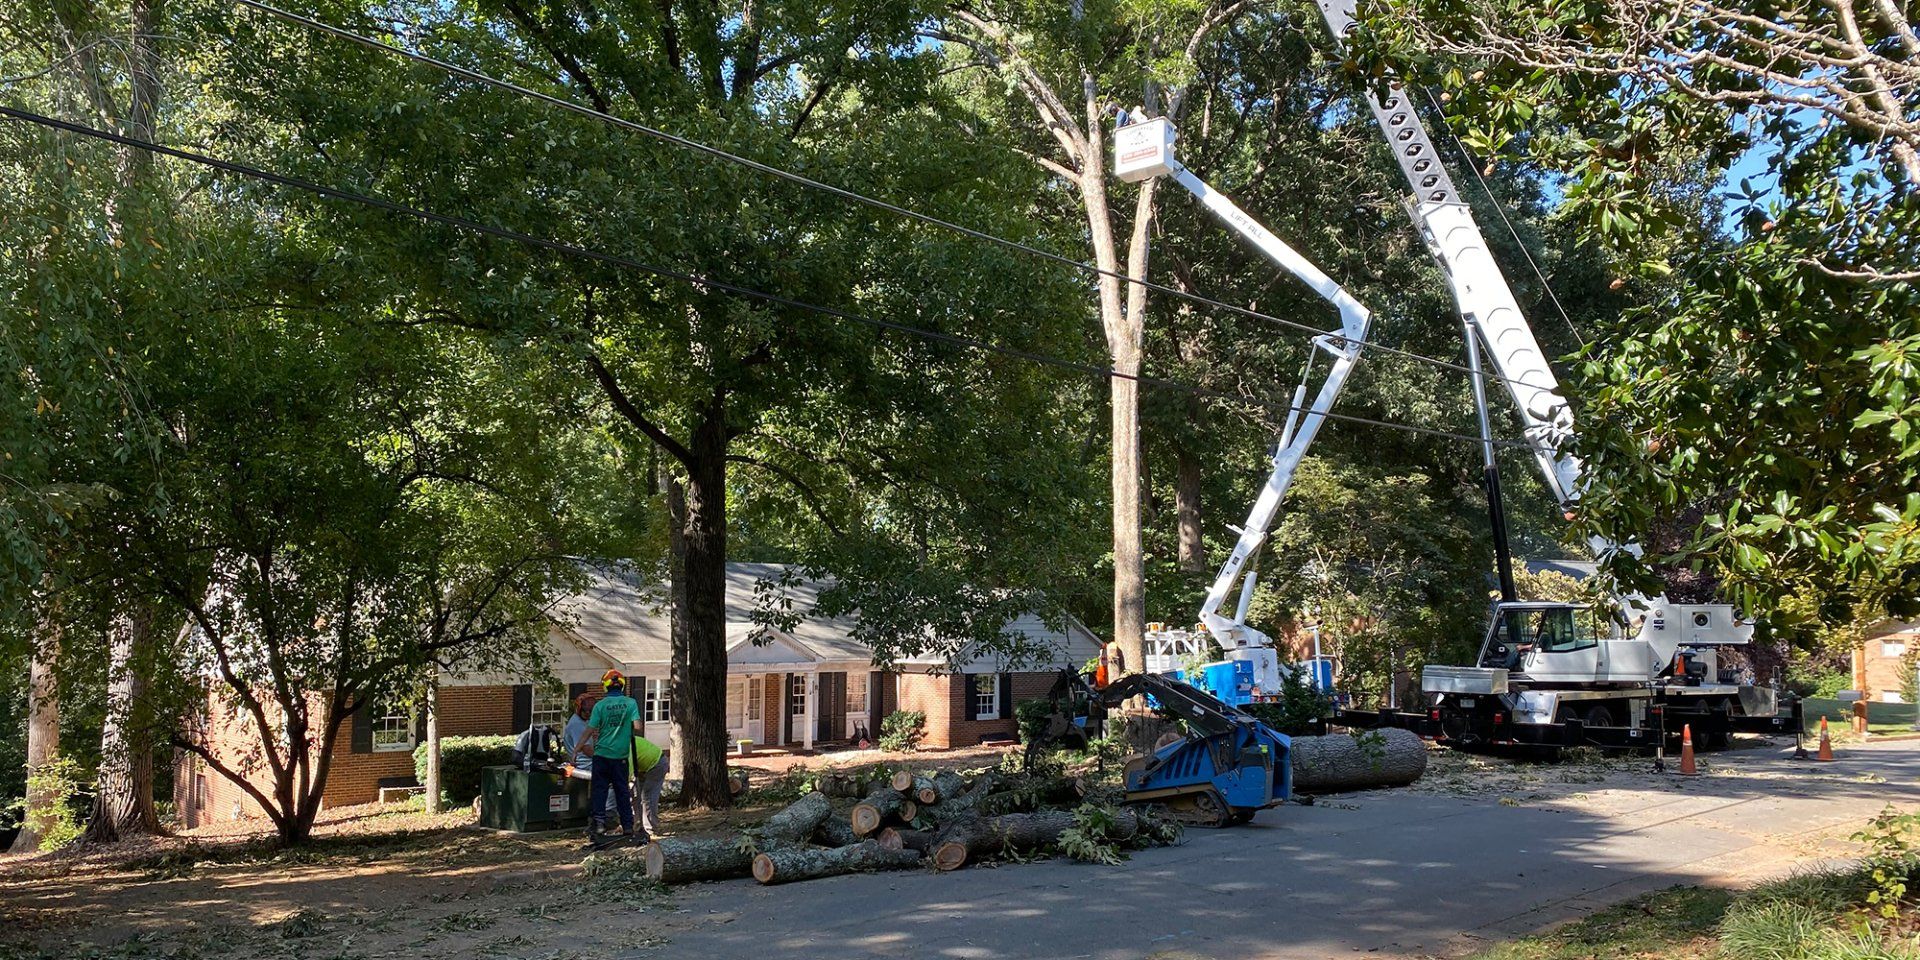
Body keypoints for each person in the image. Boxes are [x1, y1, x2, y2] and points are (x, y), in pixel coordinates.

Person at [577, 669, 641, 842]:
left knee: (599, 791)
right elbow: (637, 727)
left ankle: (598, 824)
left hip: (601, 756)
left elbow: (589, 730)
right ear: (622, 685)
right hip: (620, 757)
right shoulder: (630, 703)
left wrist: (576, 749)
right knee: (622, 791)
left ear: (605, 686)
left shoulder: (600, 706)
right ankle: (628, 826)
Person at [632, 736, 669, 838]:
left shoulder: (626, 747)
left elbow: (628, 774)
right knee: (636, 797)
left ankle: (651, 828)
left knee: (647, 796)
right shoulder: (621, 743)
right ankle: (637, 825)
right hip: (642, 767)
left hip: (657, 764)